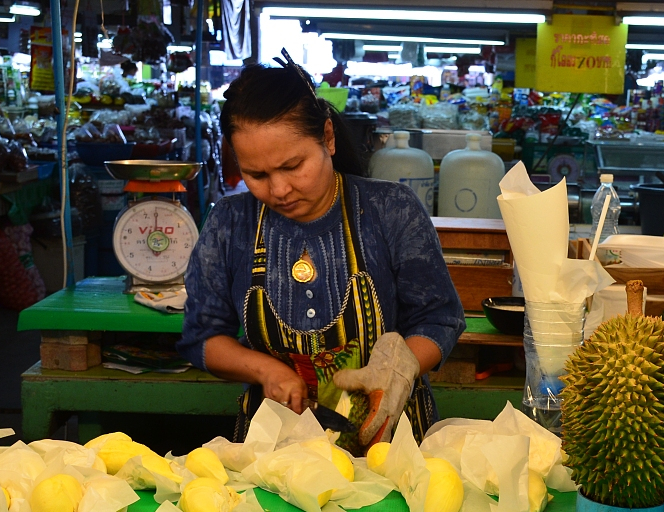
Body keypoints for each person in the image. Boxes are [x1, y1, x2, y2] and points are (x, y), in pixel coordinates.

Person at [179, 54, 465, 453]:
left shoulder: (391, 209)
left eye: (293, 166)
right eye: (256, 175)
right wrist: (266, 370)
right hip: (274, 451)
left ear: (327, 137)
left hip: (392, 447)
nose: (278, 190)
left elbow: (440, 317)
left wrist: (400, 365)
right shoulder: (231, 222)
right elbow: (202, 336)